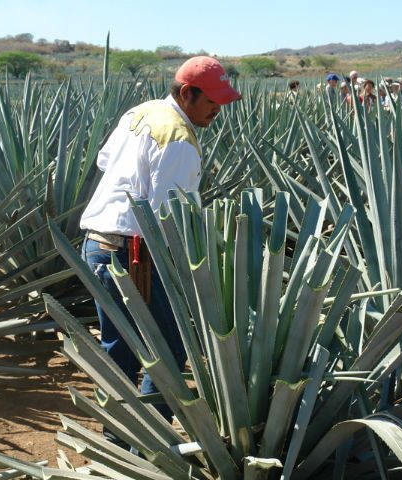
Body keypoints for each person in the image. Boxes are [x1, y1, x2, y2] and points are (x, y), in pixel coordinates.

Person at [79, 56, 241, 446]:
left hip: (97, 245)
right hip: (135, 254)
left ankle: (118, 441)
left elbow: (104, 160)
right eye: (211, 102)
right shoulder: (180, 140)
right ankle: (147, 440)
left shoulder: (141, 112)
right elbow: (165, 218)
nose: (217, 111)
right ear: (188, 93)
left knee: (118, 345)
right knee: (168, 347)